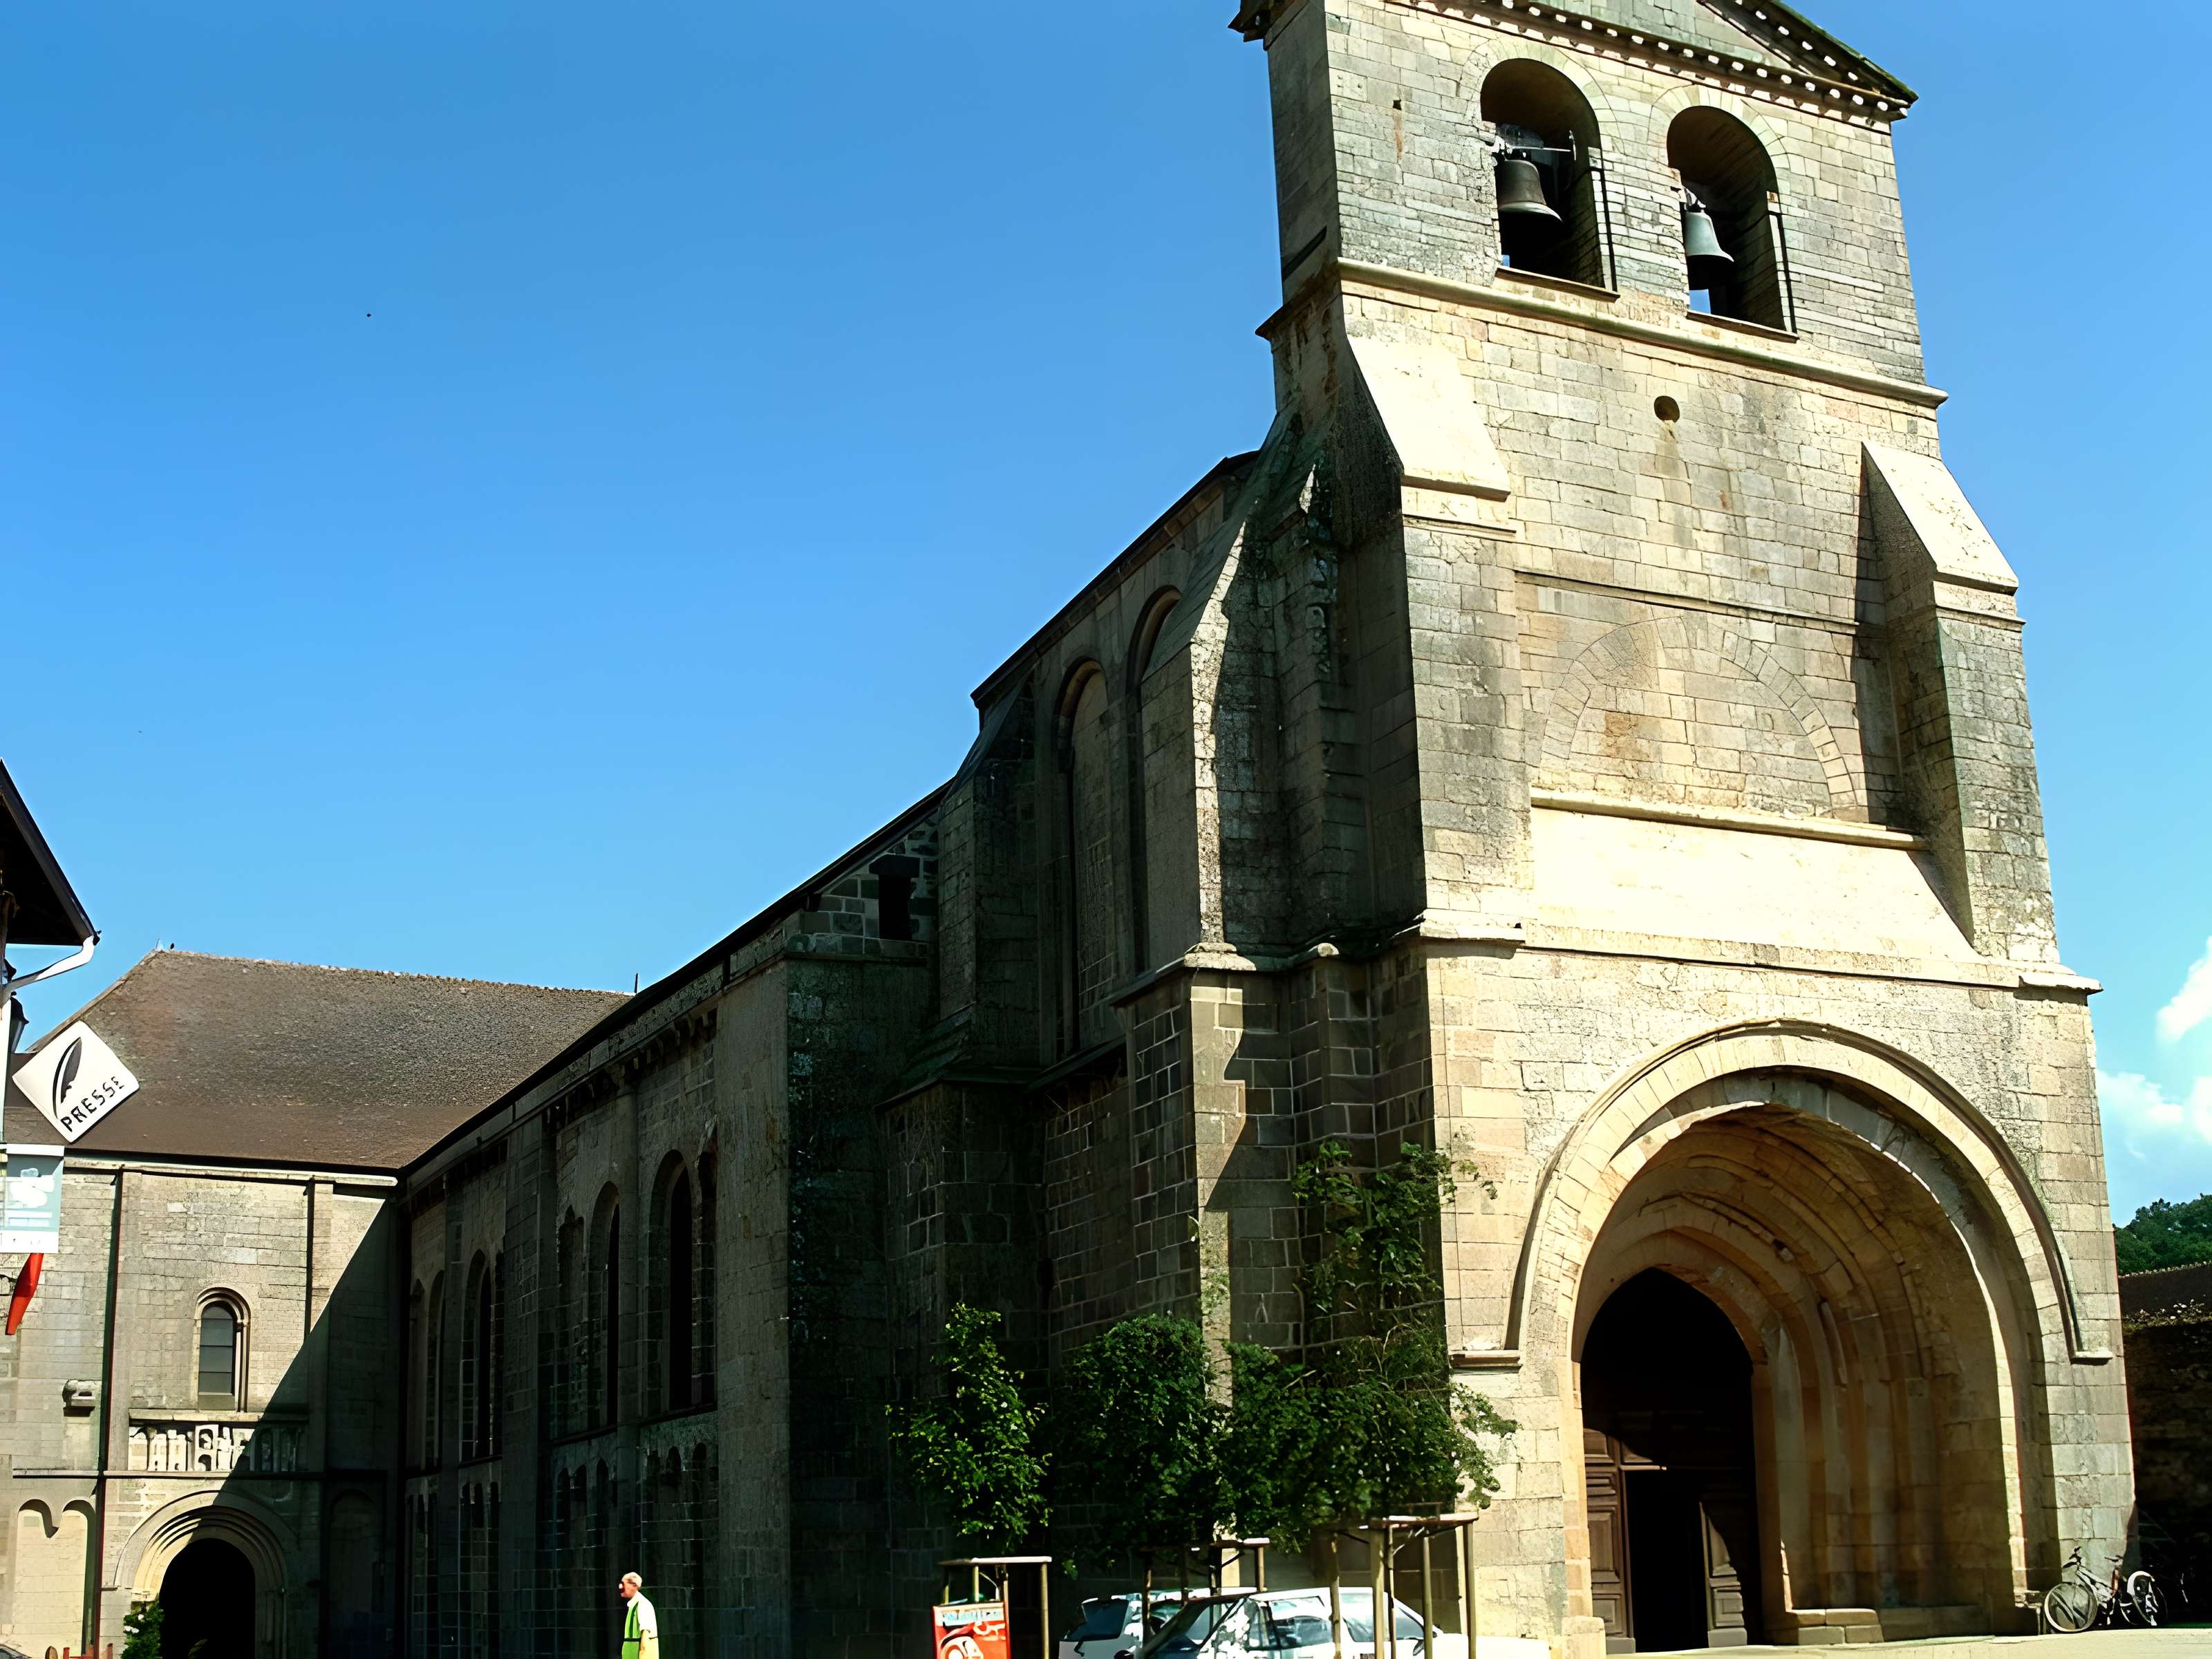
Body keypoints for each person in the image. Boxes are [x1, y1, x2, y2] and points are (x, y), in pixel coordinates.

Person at [618, 1571, 660, 1659]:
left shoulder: (643, 1605)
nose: (620, 1587)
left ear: (634, 1585)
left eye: (623, 1584)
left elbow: (646, 1637)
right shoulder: (633, 1606)